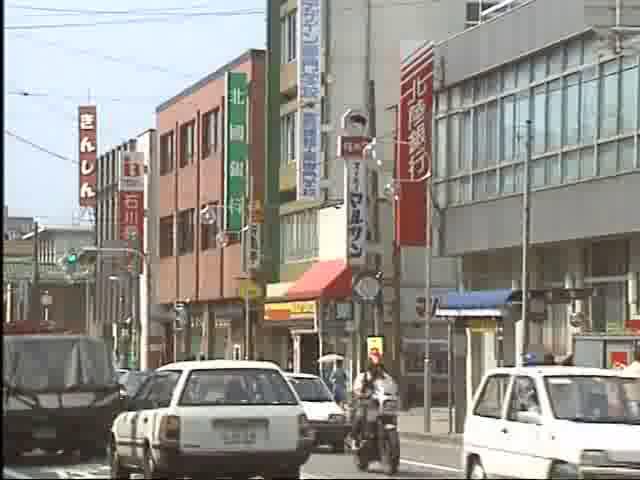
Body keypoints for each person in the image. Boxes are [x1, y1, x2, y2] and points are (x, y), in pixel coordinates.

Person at [350, 351, 393, 448]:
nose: (376, 368)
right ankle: (354, 438)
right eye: (374, 365)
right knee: (360, 415)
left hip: (382, 403)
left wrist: (394, 394)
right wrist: (361, 394)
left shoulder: (386, 377)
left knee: (391, 414)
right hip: (367, 402)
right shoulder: (363, 376)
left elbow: (392, 387)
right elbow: (357, 388)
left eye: (378, 365)